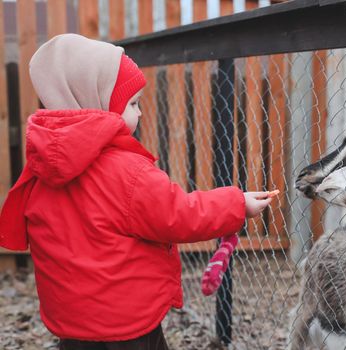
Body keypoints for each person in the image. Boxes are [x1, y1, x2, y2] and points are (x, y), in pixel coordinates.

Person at [0, 33, 273, 349]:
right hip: (127, 324)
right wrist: (236, 203)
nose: (141, 113)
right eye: (132, 103)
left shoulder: (42, 166)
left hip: (72, 323)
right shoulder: (127, 172)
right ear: (98, 102)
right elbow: (179, 215)